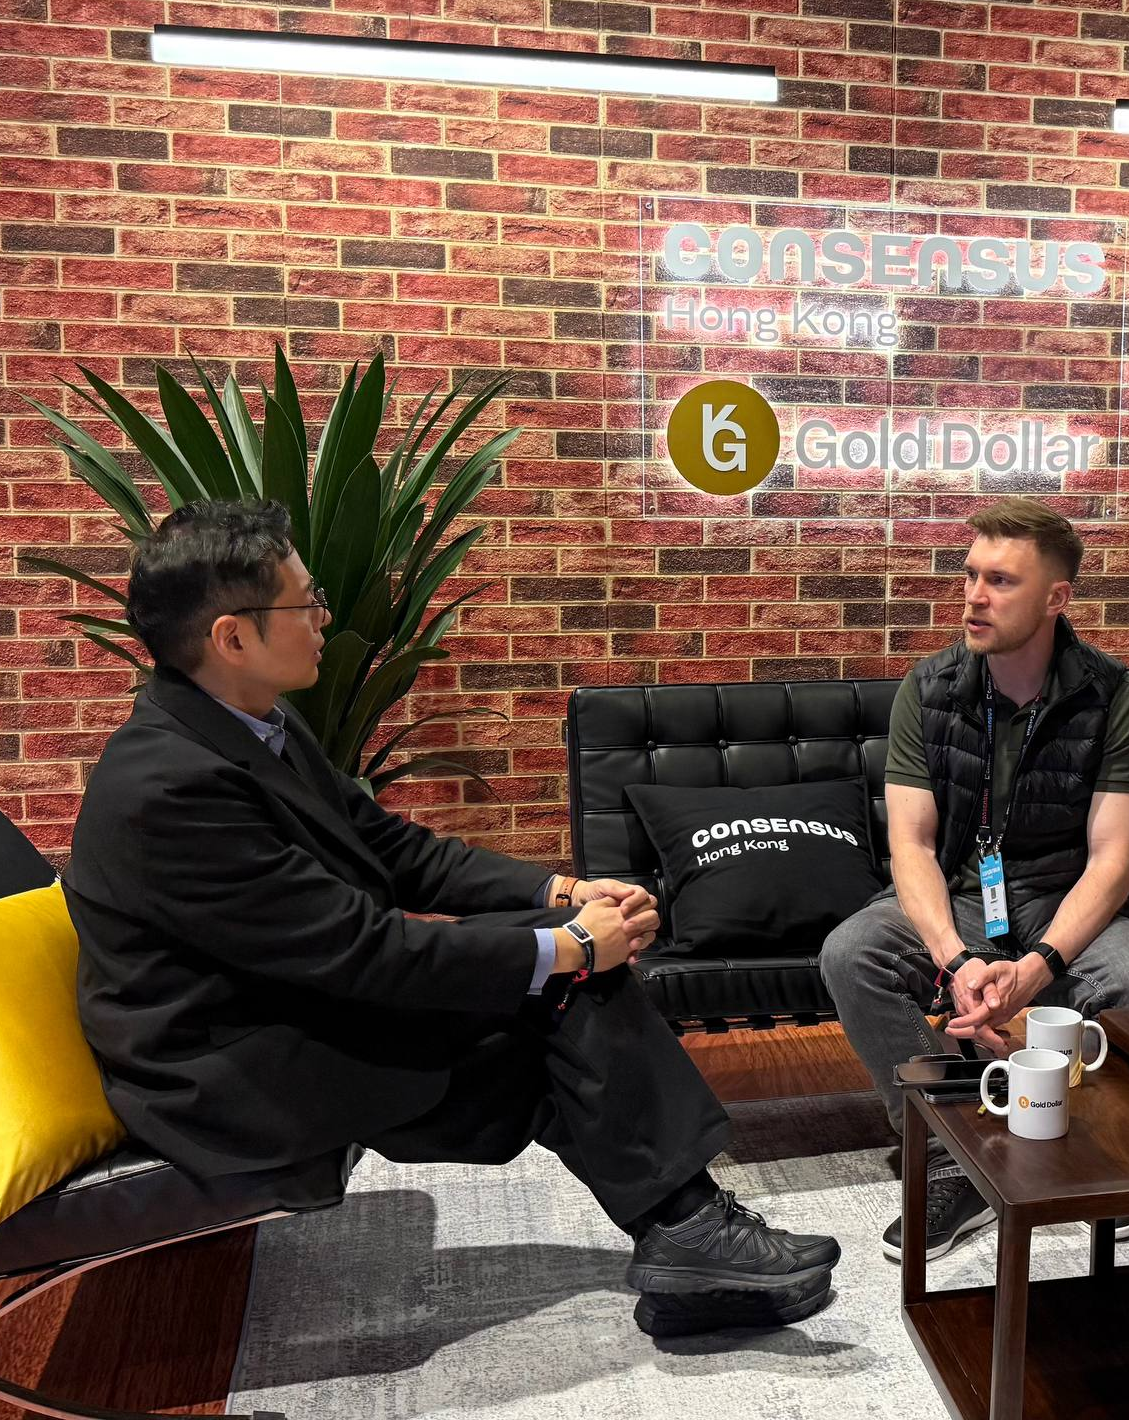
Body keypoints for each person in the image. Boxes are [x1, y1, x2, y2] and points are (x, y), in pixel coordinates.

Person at [64, 499, 838, 1338]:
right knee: (560, 995)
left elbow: (394, 851)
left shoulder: (252, 727)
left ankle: (689, 1239)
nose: (324, 619)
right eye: (305, 601)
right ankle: (690, 1235)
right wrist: (572, 949)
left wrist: (562, 893)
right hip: (231, 1068)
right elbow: (360, 952)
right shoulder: (170, 786)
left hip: (289, 1000)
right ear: (233, 638)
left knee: (563, 992)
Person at [820, 498, 1129, 1263]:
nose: (974, 597)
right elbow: (911, 846)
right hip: (958, 896)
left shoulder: (1114, 699)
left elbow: (1112, 864)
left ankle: (1088, 1143)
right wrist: (955, 962)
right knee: (852, 953)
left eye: (1001, 581)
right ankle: (947, 1153)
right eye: (970, 576)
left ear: (1056, 597)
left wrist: (1038, 966)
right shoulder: (930, 688)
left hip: (1060, 898)